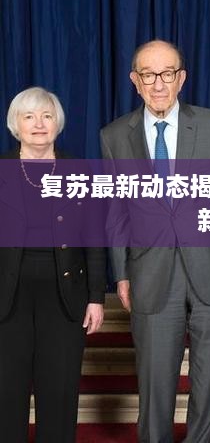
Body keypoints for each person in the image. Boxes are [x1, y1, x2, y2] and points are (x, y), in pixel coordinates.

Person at [100, 39, 210, 443]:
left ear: (182, 78)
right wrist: (121, 273)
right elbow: (116, 212)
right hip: (150, 272)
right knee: (155, 380)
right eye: (149, 75)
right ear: (135, 80)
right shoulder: (114, 135)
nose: (158, 84)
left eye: (167, 74)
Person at [0, 87, 106, 442]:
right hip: (7, 293)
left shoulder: (79, 170)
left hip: (65, 293)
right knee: (6, 388)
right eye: (29, 116)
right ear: (15, 124)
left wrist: (96, 297)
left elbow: (95, 237)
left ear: (57, 123)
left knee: (59, 387)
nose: (39, 124)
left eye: (46, 116)